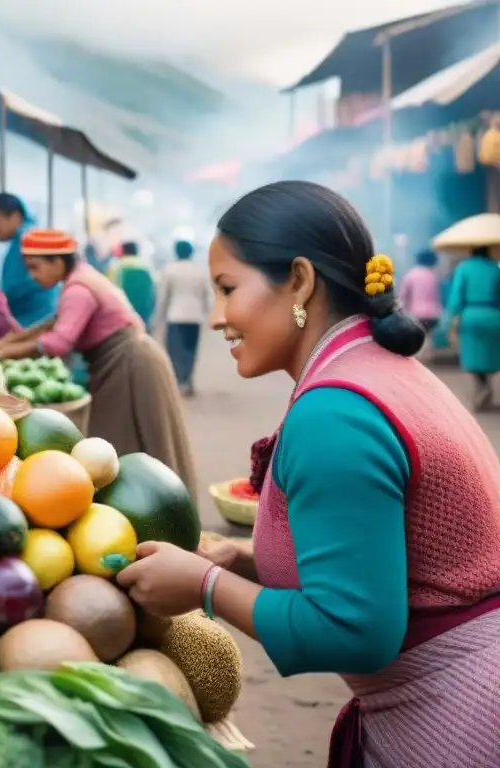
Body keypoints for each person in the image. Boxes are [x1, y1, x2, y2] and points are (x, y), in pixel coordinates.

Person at [115, 181, 500, 768]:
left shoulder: (336, 412)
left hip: (459, 718)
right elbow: (374, 557)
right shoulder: (376, 368)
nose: (218, 317)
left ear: (298, 280)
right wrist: (246, 560)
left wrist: (204, 588)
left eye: (228, 289)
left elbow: (354, 631)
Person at [0, 228, 197, 499]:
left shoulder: (78, 289)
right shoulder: (81, 279)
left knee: (126, 448)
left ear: (57, 262)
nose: (32, 276)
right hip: (123, 363)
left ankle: (150, 514)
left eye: (35, 267)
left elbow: (58, 342)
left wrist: (4, 353)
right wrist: (8, 344)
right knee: (125, 446)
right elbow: (52, 324)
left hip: (129, 364)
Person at [0, 193, 58, 328]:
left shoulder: (26, 240)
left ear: (15, 216)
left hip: (33, 317)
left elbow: (16, 285)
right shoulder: (25, 238)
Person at [445, 245, 500, 410]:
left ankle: (481, 386)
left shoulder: (464, 268)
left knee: (473, 355)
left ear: (471, 251)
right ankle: (486, 385)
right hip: (493, 316)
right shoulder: (495, 267)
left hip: (470, 316)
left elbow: (456, 295)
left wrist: (452, 316)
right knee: (490, 355)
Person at [158, 239, 211, 396]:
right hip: (195, 317)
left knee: (175, 350)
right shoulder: (200, 271)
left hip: (175, 316)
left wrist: (158, 318)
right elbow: (208, 295)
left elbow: (163, 297)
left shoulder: (170, 270)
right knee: (190, 350)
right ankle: (187, 381)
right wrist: (209, 314)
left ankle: (178, 380)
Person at [398, 248, 442, 360]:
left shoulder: (410, 275)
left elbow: (403, 295)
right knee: (428, 335)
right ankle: (428, 356)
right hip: (433, 313)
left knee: (420, 336)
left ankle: (421, 359)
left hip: (416, 312)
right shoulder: (433, 276)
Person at [107, 241, 157, 333]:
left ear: (123, 252)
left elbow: (109, 289)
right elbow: (154, 290)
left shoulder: (116, 266)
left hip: (124, 312)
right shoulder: (146, 266)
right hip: (144, 311)